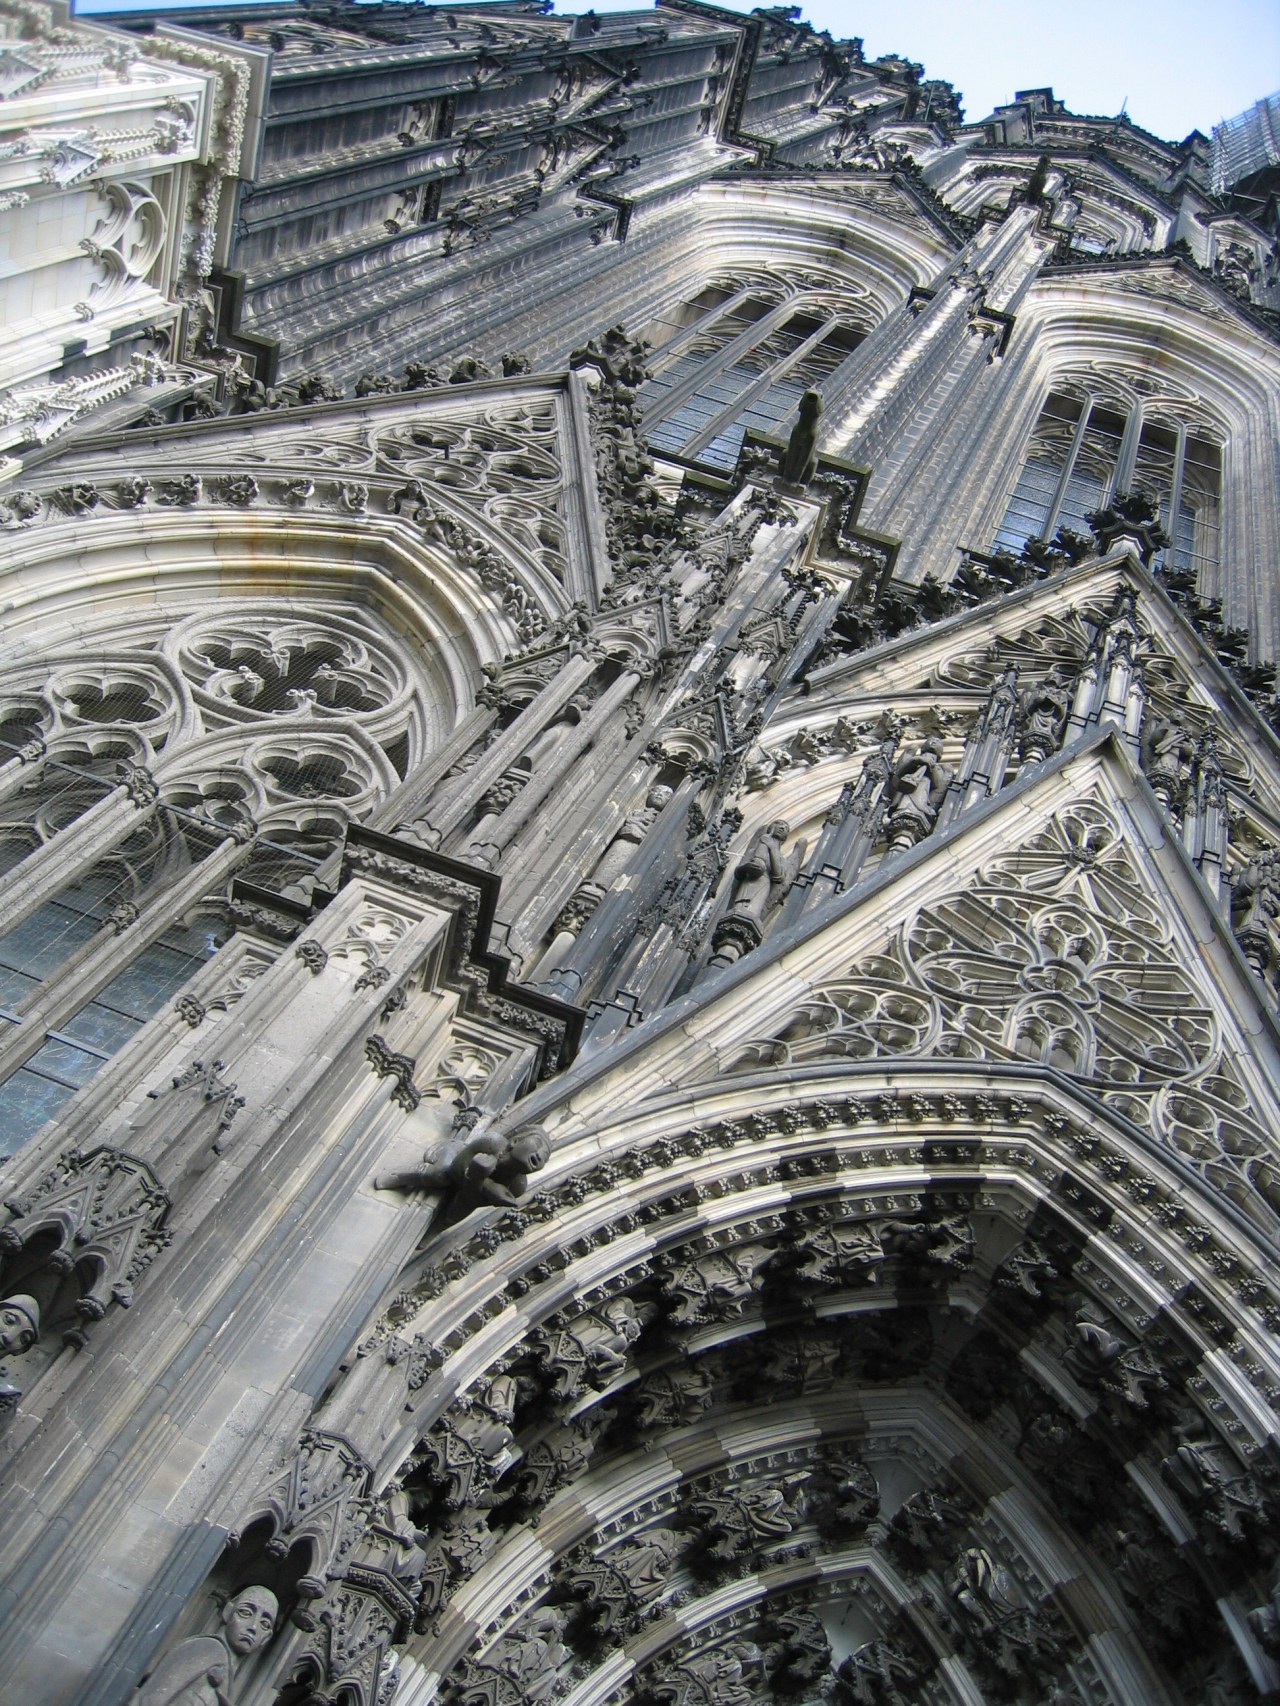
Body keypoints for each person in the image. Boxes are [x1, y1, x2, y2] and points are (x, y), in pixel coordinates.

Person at [135, 1586, 278, 1706]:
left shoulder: (227, 1671)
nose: (253, 1627)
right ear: (228, 1612)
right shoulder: (208, 1648)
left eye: (264, 1624)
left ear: (266, 1637)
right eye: (246, 1613)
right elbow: (150, 1699)